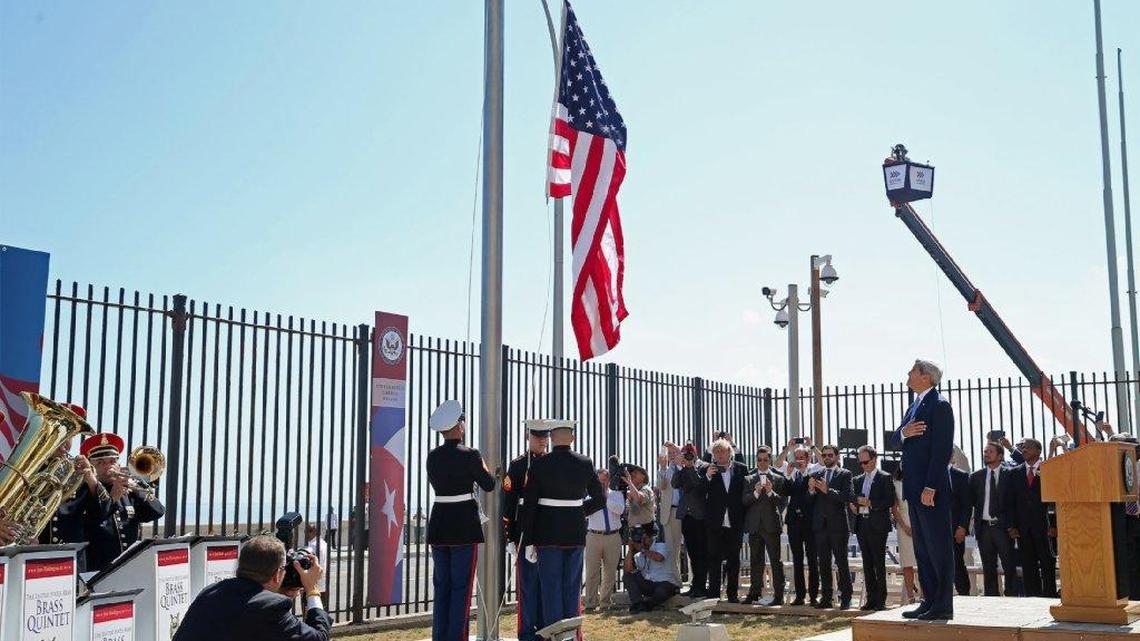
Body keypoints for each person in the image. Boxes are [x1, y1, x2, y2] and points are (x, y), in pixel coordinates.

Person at [520, 420, 605, 633]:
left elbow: (529, 506)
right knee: (572, 588)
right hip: (574, 532)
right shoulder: (585, 462)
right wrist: (579, 510)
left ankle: (554, 636)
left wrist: (528, 541)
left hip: (546, 534)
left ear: (551, 438)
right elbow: (600, 498)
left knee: (551, 589)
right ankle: (570, 635)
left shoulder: (538, 465)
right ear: (573, 439)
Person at [425, 400, 495, 641]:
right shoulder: (471, 455)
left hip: (439, 524)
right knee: (461, 590)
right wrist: (483, 466)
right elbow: (489, 484)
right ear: (459, 426)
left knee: (442, 587)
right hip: (463, 526)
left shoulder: (432, 457)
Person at [172, 534, 329, 641]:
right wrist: (311, 589)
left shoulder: (211, 591)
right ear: (277, 575)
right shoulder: (270, 607)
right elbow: (319, 637)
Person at [894, 359, 955, 620]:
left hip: (931, 490)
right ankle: (929, 601)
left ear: (926, 377)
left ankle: (942, 605)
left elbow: (942, 450)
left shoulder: (939, 406)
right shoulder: (913, 406)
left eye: (912, 371)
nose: (908, 374)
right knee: (922, 550)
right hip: (914, 489)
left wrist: (931, 486)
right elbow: (895, 438)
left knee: (938, 547)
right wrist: (904, 432)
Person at [82, 432, 166, 572]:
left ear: (119, 464)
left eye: (112, 461)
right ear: (92, 467)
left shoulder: (131, 489)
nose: (108, 466)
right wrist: (113, 496)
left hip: (130, 567)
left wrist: (135, 487)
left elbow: (158, 511)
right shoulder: (85, 492)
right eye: (101, 462)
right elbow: (94, 520)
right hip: (97, 569)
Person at [502, 420, 551, 640]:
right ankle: (526, 633)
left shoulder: (552, 463)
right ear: (527, 437)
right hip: (525, 531)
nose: (542, 440)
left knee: (545, 585)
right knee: (528, 585)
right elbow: (509, 503)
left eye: (545, 437)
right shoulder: (518, 465)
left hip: (549, 529)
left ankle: (543, 630)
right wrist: (510, 535)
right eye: (538, 437)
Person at [1004, 437, 1057, 598]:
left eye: (1027, 447)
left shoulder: (1049, 469)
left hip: (1045, 527)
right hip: (1023, 528)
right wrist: (1012, 526)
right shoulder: (1014, 472)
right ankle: (1032, 597)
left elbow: (1055, 500)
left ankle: (1049, 595)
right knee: (1028, 564)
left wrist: (1055, 525)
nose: (1024, 450)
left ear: (1038, 450)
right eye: (1022, 447)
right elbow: (1010, 501)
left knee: (1047, 562)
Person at [698, 438, 748, 602]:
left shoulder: (741, 469)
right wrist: (707, 477)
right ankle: (713, 594)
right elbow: (699, 493)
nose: (719, 454)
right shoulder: (707, 469)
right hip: (715, 522)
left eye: (722, 451)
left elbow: (745, 494)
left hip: (735, 521)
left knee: (734, 559)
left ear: (730, 453)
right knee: (714, 558)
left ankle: (732, 595)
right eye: (716, 452)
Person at [969, 442, 1018, 596]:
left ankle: (1012, 597)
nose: (986, 454)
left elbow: (1015, 503)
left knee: (1009, 565)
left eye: (990, 451)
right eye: (985, 451)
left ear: (1000, 456)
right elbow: (969, 503)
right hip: (984, 528)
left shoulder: (1010, 475)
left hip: (1003, 527)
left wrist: (1013, 525)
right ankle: (991, 598)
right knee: (988, 566)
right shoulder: (976, 476)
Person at [851, 445, 895, 611]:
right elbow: (853, 499)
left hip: (878, 525)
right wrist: (854, 506)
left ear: (874, 459)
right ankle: (871, 598)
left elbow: (889, 501)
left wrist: (871, 503)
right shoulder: (857, 480)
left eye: (866, 461)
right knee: (867, 564)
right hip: (862, 524)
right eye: (861, 463)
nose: (863, 465)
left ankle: (881, 600)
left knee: (879, 563)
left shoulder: (885, 477)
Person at [810, 444, 854, 609]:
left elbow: (847, 496)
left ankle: (846, 597)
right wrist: (811, 491)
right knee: (824, 563)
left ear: (836, 456)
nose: (827, 458)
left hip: (838, 526)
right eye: (824, 455)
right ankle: (826, 598)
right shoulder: (816, 474)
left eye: (830, 455)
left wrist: (828, 490)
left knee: (842, 562)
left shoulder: (845, 474)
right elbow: (810, 501)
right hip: (820, 526)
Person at [741, 445, 786, 605]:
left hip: (771, 525)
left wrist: (769, 492)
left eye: (765, 460)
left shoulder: (778, 478)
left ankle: (778, 595)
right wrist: (755, 493)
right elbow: (744, 501)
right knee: (755, 561)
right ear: (756, 460)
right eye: (759, 460)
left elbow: (782, 502)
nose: (762, 462)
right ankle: (754, 593)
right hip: (754, 525)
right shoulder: (748, 478)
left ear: (770, 460)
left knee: (775, 561)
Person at [583, 468, 625, 611]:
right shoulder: (589, 497)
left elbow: (620, 510)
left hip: (613, 536)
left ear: (609, 480)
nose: (603, 483)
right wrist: (598, 498)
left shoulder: (616, 494)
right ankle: (590, 603)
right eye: (600, 480)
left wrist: (606, 498)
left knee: (610, 572)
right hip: (594, 536)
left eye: (605, 480)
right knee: (592, 571)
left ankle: (605, 602)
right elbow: (585, 513)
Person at [671, 442, 709, 598]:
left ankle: (701, 585)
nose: (687, 457)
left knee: (701, 553)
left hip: (699, 516)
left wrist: (691, 466)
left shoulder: (703, 467)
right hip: (685, 516)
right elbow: (674, 484)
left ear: (695, 454)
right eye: (685, 454)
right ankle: (695, 586)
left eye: (690, 454)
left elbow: (698, 485)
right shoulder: (683, 468)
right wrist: (680, 466)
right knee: (692, 553)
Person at [784, 445, 820, 606]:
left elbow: (810, 496)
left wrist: (805, 472)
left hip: (809, 522)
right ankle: (800, 595)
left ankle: (813, 595)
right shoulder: (794, 475)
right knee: (797, 560)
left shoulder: (812, 474)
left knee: (812, 559)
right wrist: (788, 474)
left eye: (801, 458)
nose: (799, 461)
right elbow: (785, 492)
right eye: (796, 458)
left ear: (807, 459)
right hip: (794, 522)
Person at [1109, 433, 1140, 599]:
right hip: (1124, 521)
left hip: (1137, 518)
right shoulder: (1111, 469)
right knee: (1129, 563)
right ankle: (1134, 598)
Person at [623, 523, 679, 613]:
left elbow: (659, 558)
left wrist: (643, 550)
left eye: (643, 538)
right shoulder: (639, 554)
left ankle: (647, 605)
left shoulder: (660, 545)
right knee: (628, 576)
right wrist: (630, 550)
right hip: (649, 584)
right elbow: (628, 570)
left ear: (650, 537)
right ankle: (638, 604)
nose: (641, 540)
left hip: (665, 584)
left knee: (661, 591)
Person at [656, 443, 684, 584]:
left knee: (692, 549)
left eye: (675, 452)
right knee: (673, 550)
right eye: (670, 453)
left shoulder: (687, 467)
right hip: (671, 513)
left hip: (686, 513)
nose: (672, 456)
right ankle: (676, 582)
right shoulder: (665, 470)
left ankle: (695, 582)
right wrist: (661, 467)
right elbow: (660, 486)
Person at [890, 466, 918, 604]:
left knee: (924, 562)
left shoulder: (921, 480)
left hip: (920, 524)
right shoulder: (895, 483)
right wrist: (905, 527)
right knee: (907, 563)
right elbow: (894, 509)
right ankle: (910, 598)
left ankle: (926, 596)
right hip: (904, 525)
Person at [948, 460, 973, 596]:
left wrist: (963, 527)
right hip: (936, 530)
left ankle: (964, 594)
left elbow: (966, 505)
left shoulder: (960, 475)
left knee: (957, 562)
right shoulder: (930, 474)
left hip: (955, 529)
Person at [304, 524, 331, 605]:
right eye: (306, 531)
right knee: (322, 610)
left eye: (309, 531)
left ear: (315, 532)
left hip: (313, 585)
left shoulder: (312, 546)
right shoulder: (324, 543)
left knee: (309, 611)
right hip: (324, 583)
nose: (306, 534)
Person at [625, 465, 655, 531]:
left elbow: (638, 498)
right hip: (634, 530)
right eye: (631, 473)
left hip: (645, 530)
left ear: (643, 476)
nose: (632, 475)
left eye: (635, 473)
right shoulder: (632, 490)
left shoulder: (646, 489)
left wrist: (629, 482)